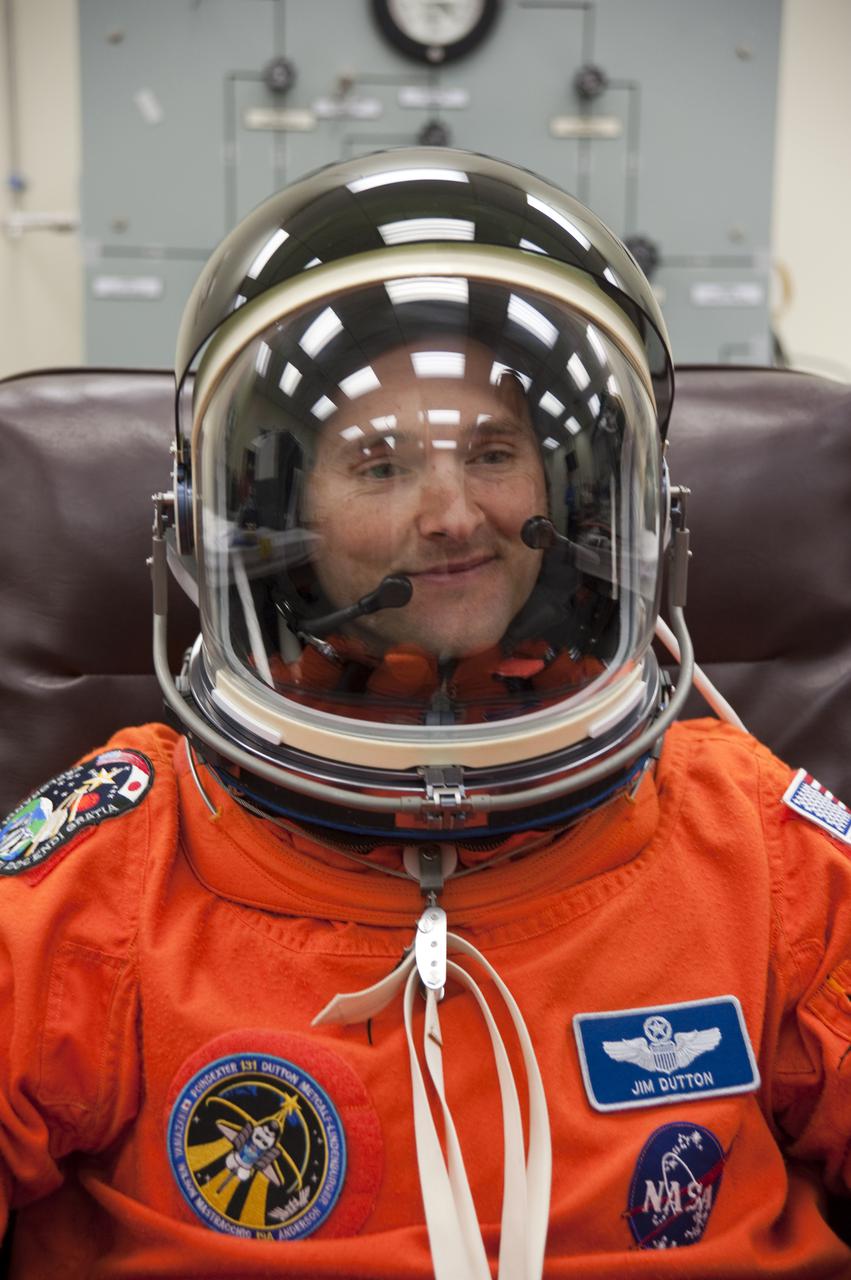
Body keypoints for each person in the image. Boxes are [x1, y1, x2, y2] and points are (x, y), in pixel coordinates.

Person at [0, 148, 849, 1279]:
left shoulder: (756, 846)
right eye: (380, 463)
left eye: (492, 452)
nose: (453, 514)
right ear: (265, 511)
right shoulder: (112, 876)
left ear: (583, 491)